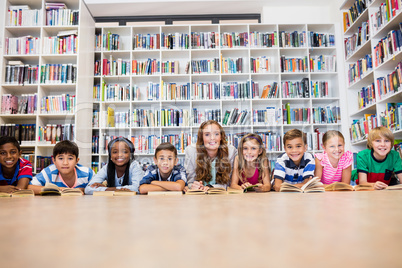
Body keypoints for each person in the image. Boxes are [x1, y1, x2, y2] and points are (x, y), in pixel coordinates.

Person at [184, 120, 237, 191]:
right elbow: (190, 182)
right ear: (201, 138)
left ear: (221, 136)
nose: (212, 138)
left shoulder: (231, 151)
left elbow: (229, 183)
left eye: (216, 134)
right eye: (207, 134)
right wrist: (195, 186)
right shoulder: (191, 151)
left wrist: (211, 187)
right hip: (199, 196)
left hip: (222, 196)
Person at [29, 140, 93, 194]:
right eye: (61, 158)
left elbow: (99, 188)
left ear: (77, 161)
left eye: (70, 158)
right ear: (54, 160)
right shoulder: (49, 172)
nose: (65, 163)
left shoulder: (87, 173)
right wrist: (58, 189)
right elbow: (29, 187)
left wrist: (83, 190)